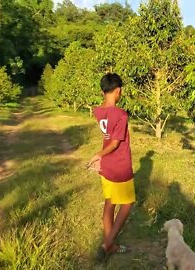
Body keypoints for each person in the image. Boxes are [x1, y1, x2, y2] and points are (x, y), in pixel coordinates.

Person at [87, 73, 135, 261]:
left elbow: (107, 137)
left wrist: (101, 156)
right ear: (118, 91)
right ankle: (107, 244)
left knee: (110, 202)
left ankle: (111, 245)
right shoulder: (121, 114)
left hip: (106, 167)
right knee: (127, 204)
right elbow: (115, 143)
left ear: (102, 91)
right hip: (120, 165)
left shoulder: (97, 111)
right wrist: (99, 154)